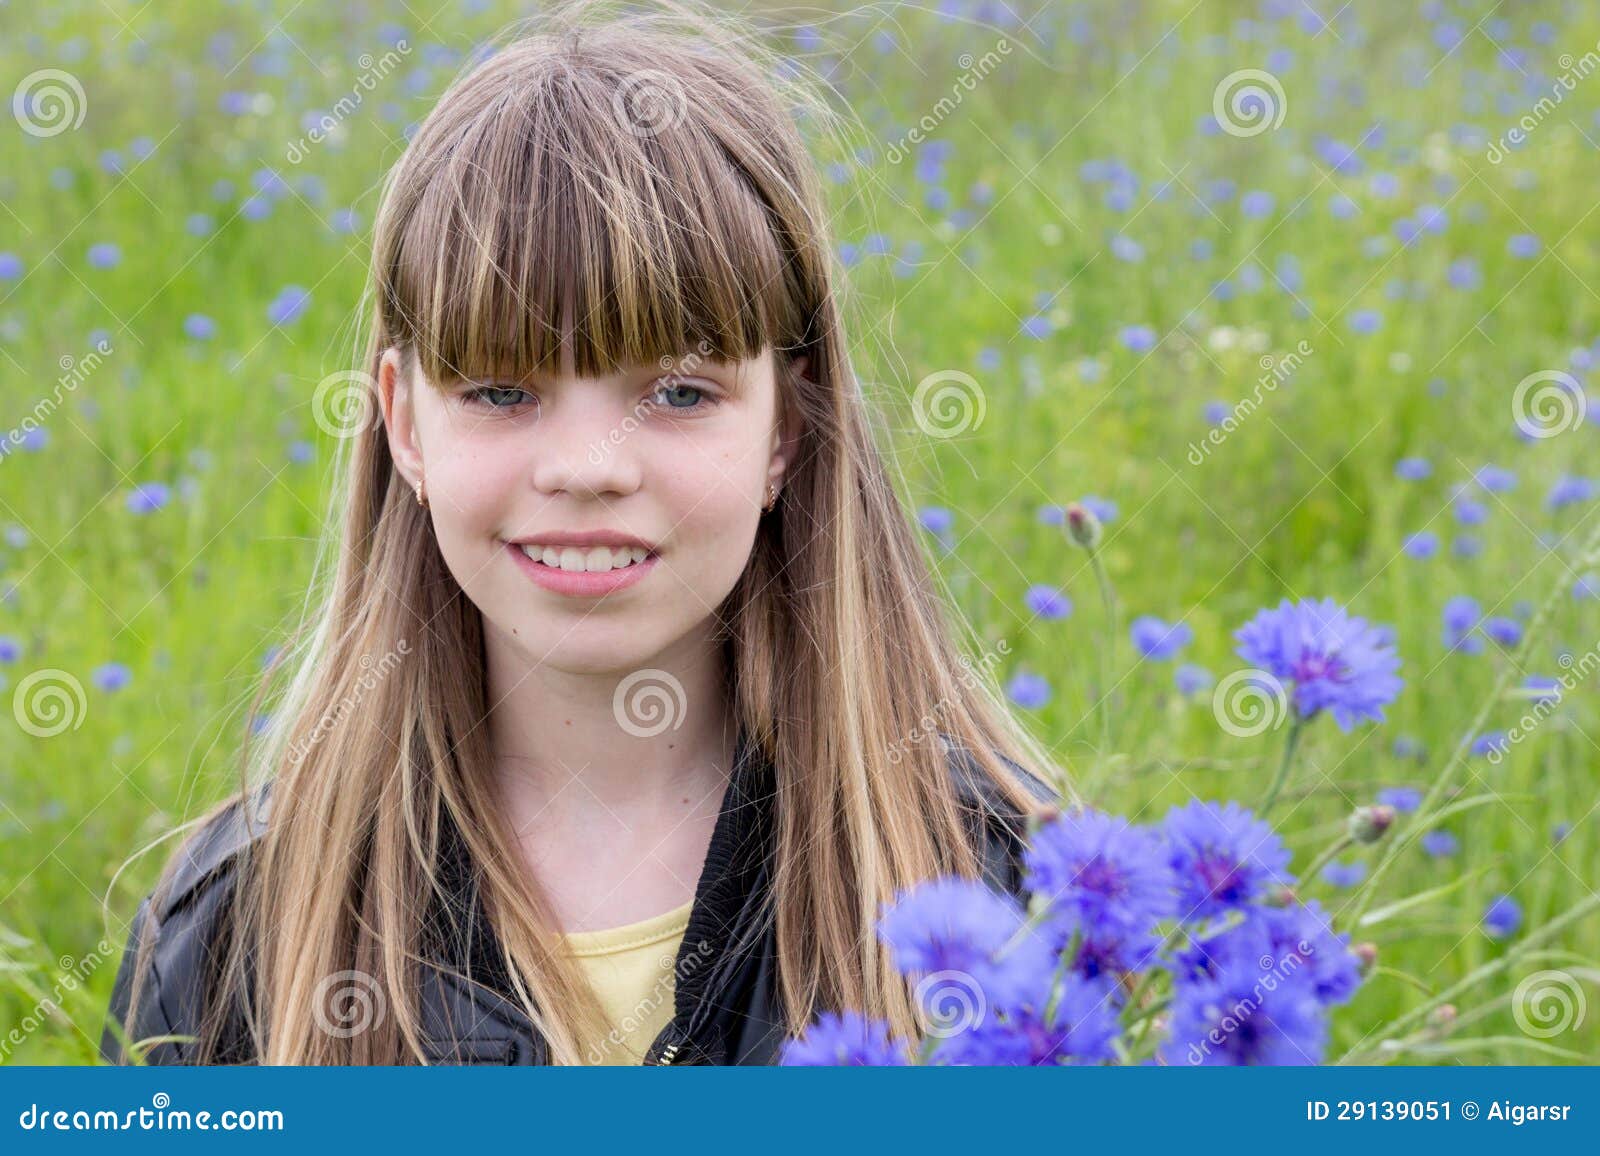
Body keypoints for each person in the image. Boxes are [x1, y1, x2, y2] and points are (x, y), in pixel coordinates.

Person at [100, 0, 1065, 1067]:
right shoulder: (237, 928)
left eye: (681, 393)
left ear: (785, 428)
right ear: (405, 422)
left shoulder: (1007, 889)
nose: (587, 467)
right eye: (504, 390)